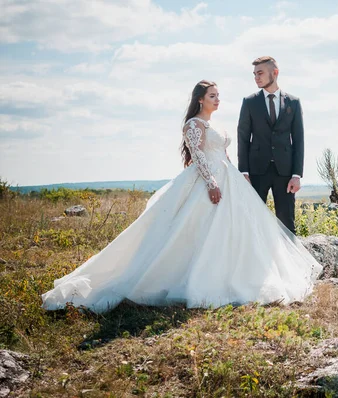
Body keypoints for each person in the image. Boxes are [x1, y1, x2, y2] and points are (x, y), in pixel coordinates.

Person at [41, 80, 322, 314]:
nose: (217, 99)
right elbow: (199, 156)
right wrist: (212, 183)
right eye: (213, 96)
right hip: (207, 181)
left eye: (218, 95)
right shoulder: (193, 124)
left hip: (228, 177)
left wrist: (235, 178)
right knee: (193, 229)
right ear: (200, 100)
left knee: (233, 230)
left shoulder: (217, 125)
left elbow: (223, 154)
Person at [237, 56, 304, 234]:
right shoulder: (249, 102)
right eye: (254, 74)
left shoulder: (293, 102)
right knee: (252, 219)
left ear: (275, 73)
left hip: (285, 172)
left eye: (260, 73)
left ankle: (290, 261)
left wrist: (297, 174)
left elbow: (298, 140)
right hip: (256, 170)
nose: (256, 78)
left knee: (286, 220)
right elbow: (243, 138)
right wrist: (243, 171)